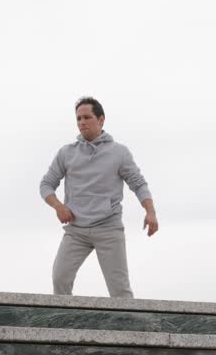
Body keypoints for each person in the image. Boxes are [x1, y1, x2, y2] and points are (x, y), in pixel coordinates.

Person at [39, 97, 158, 298]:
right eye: (78, 118)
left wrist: (150, 212)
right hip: (76, 230)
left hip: (108, 228)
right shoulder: (67, 153)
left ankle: (130, 328)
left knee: (119, 289)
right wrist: (58, 206)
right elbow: (46, 185)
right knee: (60, 278)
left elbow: (138, 184)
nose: (81, 122)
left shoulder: (119, 152)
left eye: (87, 117)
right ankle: (65, 325)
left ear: (101, 120)